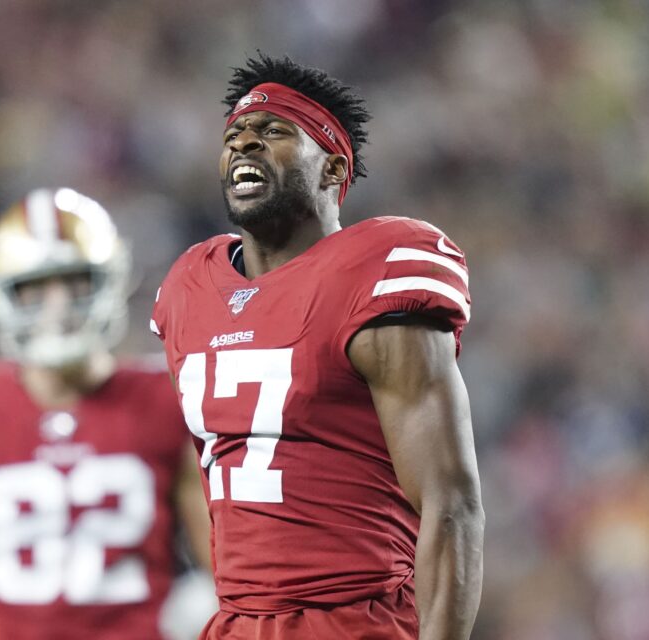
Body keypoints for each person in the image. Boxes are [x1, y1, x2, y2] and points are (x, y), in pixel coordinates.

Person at [150, 54, 484, 639]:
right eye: (234, 135)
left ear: (332, 169)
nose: (245, 144)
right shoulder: (189, 287)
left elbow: (449, 503)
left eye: (274, 131)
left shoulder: (376, 271)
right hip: (234, 623)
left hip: (354, 621)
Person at [0, 188, 211, 640]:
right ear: (0, 296)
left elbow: (229, 572)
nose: (56, 306)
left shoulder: (167, 399)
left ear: (108, 281)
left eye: (73, 281)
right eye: (34, 287)